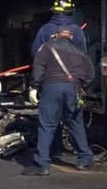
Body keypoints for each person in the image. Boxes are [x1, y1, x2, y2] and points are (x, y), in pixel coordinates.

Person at [23, 26, 94, 175]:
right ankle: (84, 159)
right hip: (73, 90)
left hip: (51, 89)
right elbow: (90, 75)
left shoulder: (47, 48)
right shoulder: (81, 53)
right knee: (76, 124)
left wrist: (34, 87)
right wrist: (80, 85)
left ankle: (42, 164)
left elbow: (38, 68)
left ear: (56, 35)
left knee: (47, 125)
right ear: (71, 37)